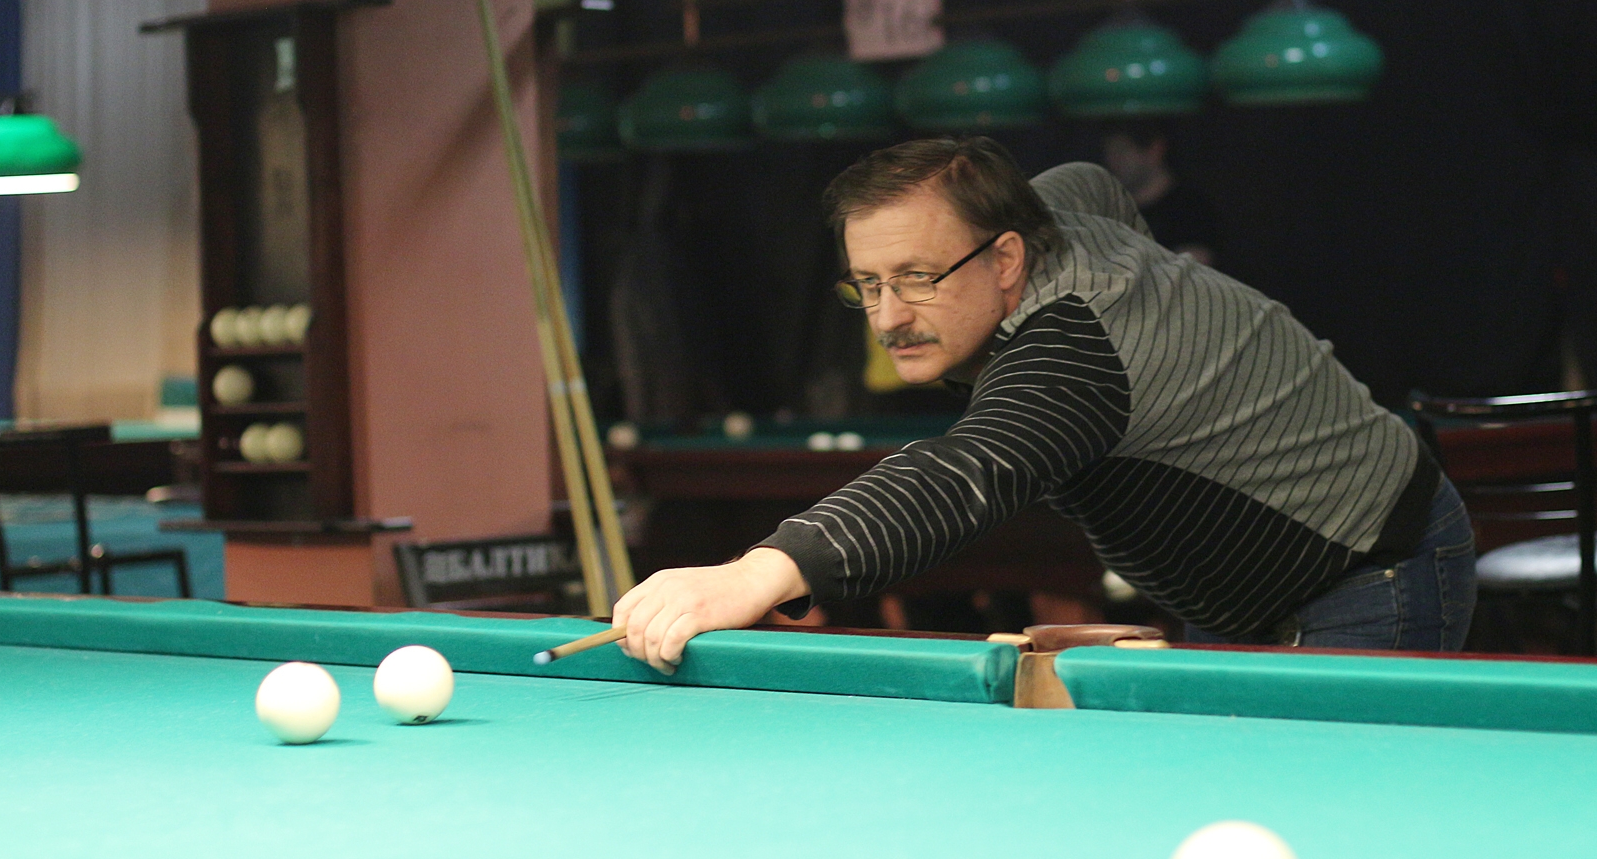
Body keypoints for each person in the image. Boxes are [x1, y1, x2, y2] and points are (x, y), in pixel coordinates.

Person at [613, 137, 1476, 672]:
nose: (887, 318)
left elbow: (958, 475)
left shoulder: (1075, 356)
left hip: (1363, 566)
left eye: (917, 278)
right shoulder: (1049, 213)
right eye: (867, 284)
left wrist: (751, 575)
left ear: (1007, 260)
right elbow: (1095, 183)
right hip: (1239, 588)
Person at [1100, 120, 1220, 265]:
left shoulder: (1191, 211)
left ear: (1154, 150)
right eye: (1109, 152)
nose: (1113, 160)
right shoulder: (1111, 211)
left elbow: (1195, 266)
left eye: (1122, 150)